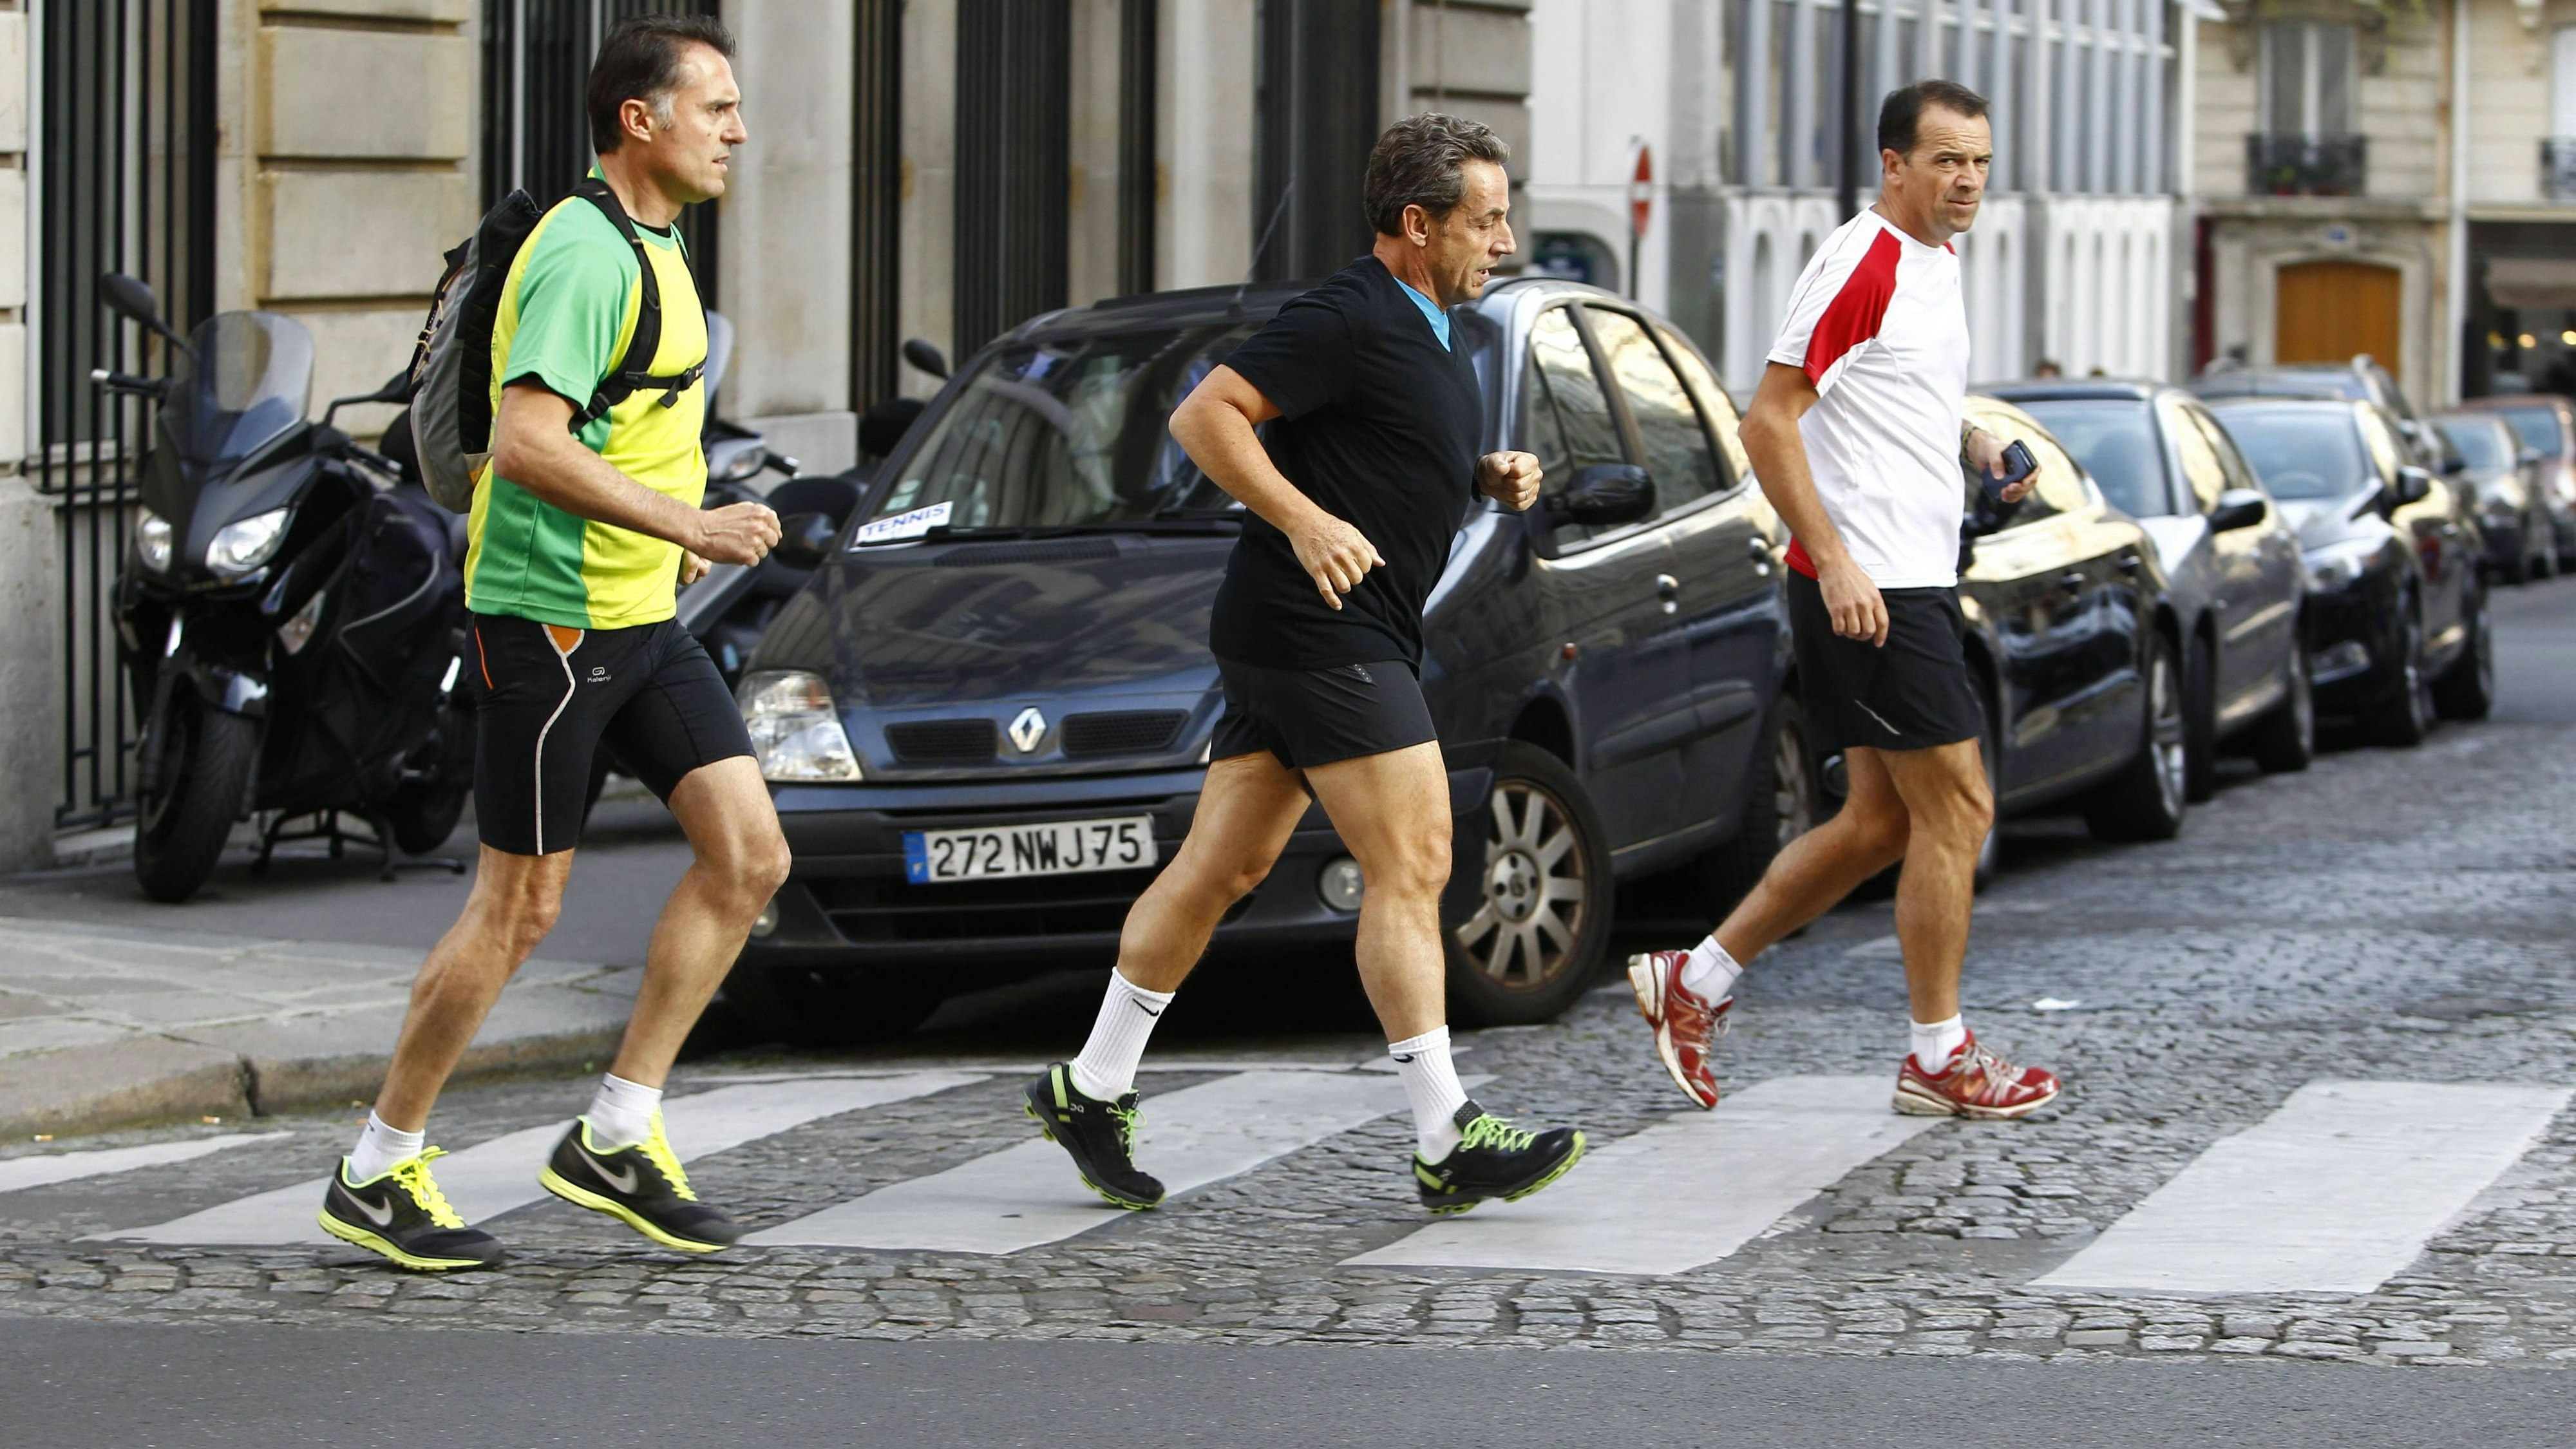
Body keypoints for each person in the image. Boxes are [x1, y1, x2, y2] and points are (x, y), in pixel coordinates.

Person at [1025, 114, 1589, 1216]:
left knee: (1221, 869)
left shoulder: (1426, 322)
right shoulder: (1347, 311)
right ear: (1415, 225)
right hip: (1323, 625)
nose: (1507, 242)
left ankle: (1089, 1087)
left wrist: (1480, 476)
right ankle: (1444, 1132)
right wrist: (1301, 519)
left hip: (1306, 627)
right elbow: (1207, 414)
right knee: (1418, 854)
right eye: (1487, 220)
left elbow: (1375, 448)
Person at [318, 14, 788, 1271]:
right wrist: (687, 516)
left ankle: (616, 1135)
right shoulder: (586, 255)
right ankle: (377, 1166)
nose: (739, 130)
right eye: (716, 106)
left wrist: (672, 534)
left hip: (640, 613)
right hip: (552, 619)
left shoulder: (660, 242)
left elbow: (626, 429)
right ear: (641, 121)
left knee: (747, 859)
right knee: (520, 905)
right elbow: (527, 442)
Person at [1627, 80, 2062, 1121]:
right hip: (1871, 588)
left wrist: (1974, 440)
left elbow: (1900, 392)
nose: (1967, 182)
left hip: (1911, 571)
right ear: (1894, 164)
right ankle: (1938, 1055)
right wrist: (1837, 558)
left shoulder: (1936, 261)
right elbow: (1769, 421)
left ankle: (1694, 983)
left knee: (1876, 823)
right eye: (1947, 161)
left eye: (1981, 163)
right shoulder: (1862, 262)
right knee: (1959, 808)